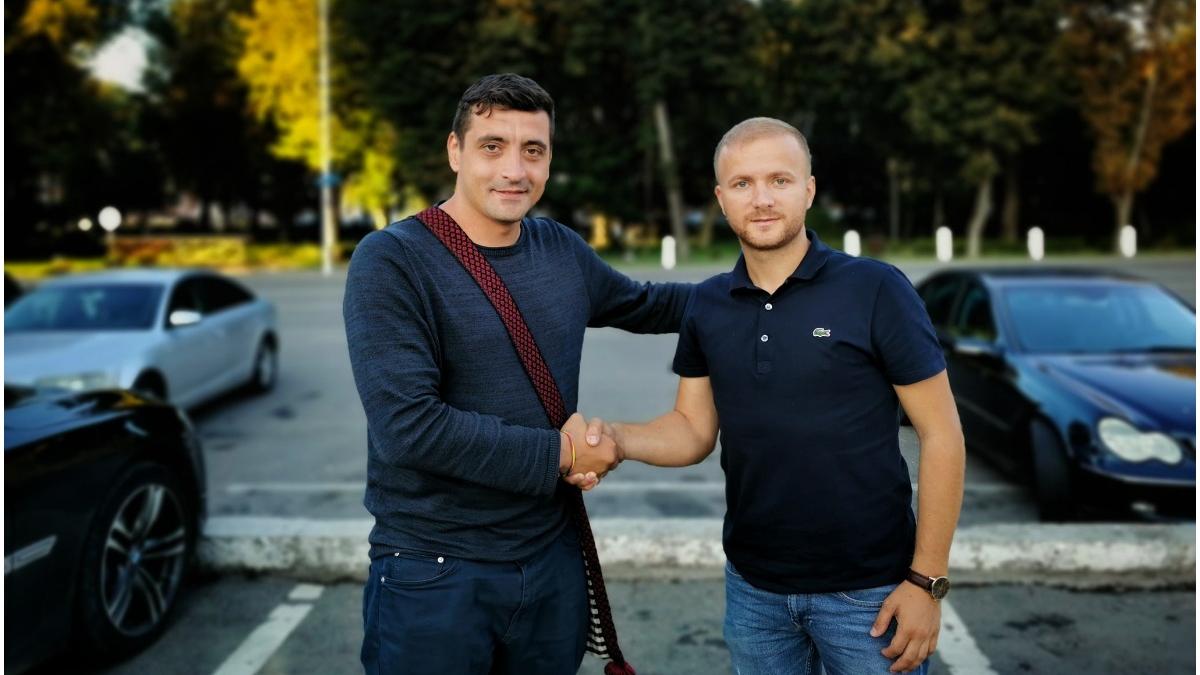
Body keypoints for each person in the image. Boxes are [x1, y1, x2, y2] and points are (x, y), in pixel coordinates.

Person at [582, 117, 965, 674]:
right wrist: (615, 438)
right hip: (754, 592)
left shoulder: (876, 288)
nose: (761, 199)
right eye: (742, 184)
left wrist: (926, 581)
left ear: (809, 190)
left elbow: (942, 433)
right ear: (721, 199)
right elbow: (692, 430)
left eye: (779, 181)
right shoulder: (708, 304)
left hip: (871, 592)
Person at [343, 73, 691, 674]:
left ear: (549, 160)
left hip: (551, 559)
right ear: (455, 151)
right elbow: (409, 428)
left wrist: (768, 287)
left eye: (533, 150)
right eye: (492, 146)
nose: (514, 170)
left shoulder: (559, 248)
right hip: (435, 572)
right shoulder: (392, 260)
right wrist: (564, 455)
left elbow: (651, 304)